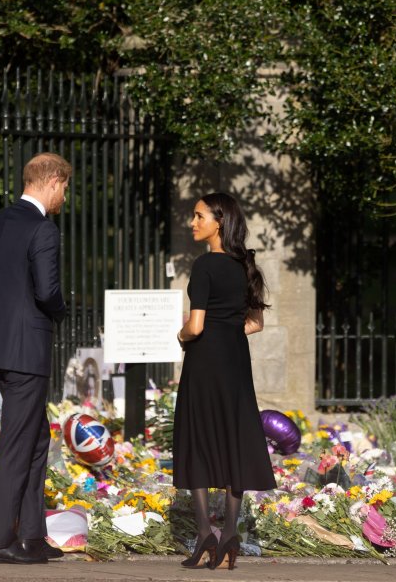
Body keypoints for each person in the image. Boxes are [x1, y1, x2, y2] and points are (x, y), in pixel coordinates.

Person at [0, 152, 71, 565]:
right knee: (18, 442)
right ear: (51, 182)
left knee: (35, 439)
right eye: (65, 187)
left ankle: (31, 535)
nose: (65, 196)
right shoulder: (43, 229)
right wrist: (62, 311)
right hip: (27, 347)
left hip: (0, 343)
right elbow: (47, 291)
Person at [173, 192, 276, 571]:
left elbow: (196, 325)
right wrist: (227, 330)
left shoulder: (205, 266)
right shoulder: (246, 266)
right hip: (235, 361)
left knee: (198, 438)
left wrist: (182, 335)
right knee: (234, 438)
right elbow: (255, 323)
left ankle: (205, 534)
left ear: (220, 221)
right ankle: (230, 532)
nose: (193, 223)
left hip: (204, 362)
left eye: (199, 216)